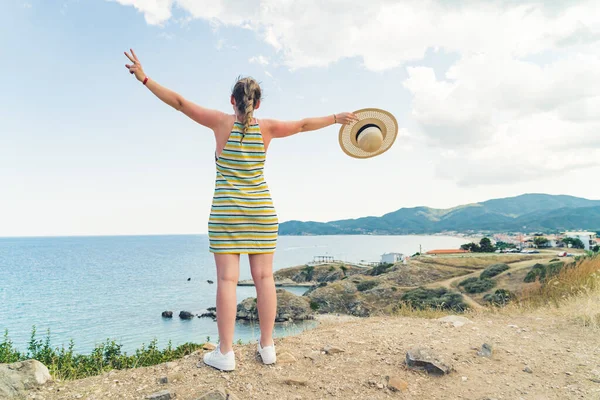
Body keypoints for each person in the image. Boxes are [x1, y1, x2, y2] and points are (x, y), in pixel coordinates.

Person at [124, 49, 358, 371]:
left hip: (227, 214)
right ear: (257, 104)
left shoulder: (220, 123)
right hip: (262, 212)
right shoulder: (269, 128)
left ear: (231, 101)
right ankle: (267, 346)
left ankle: (226, 353)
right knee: (264, 278)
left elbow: (179, 103)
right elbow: (303, 124)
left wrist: (145, 78)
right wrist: (336, 118)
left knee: (227, 281)